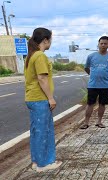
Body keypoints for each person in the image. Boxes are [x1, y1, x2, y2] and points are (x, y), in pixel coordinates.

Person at [24, 27, 62, 172]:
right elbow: (42, 78)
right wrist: (51, 98)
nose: (51, 42)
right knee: (44, 131)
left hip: (32, 98)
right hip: (40, 99)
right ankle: (44, 163)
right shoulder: (40, 56)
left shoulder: (31, 55)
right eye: (50, 39)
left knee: (36, 131)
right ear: (45, 40)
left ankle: (36, 161)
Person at [79, 36, 108, 129]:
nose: (103, 45)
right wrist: (93, 75)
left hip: (106, 85)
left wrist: (107, 75)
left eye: (105, 43)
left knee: (102, 104)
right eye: (101, 43)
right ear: (98, 44)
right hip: (93, 85)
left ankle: (99, 122)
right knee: (90, 104)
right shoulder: (91, 56)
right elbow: (86, 67)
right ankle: (86, 122)